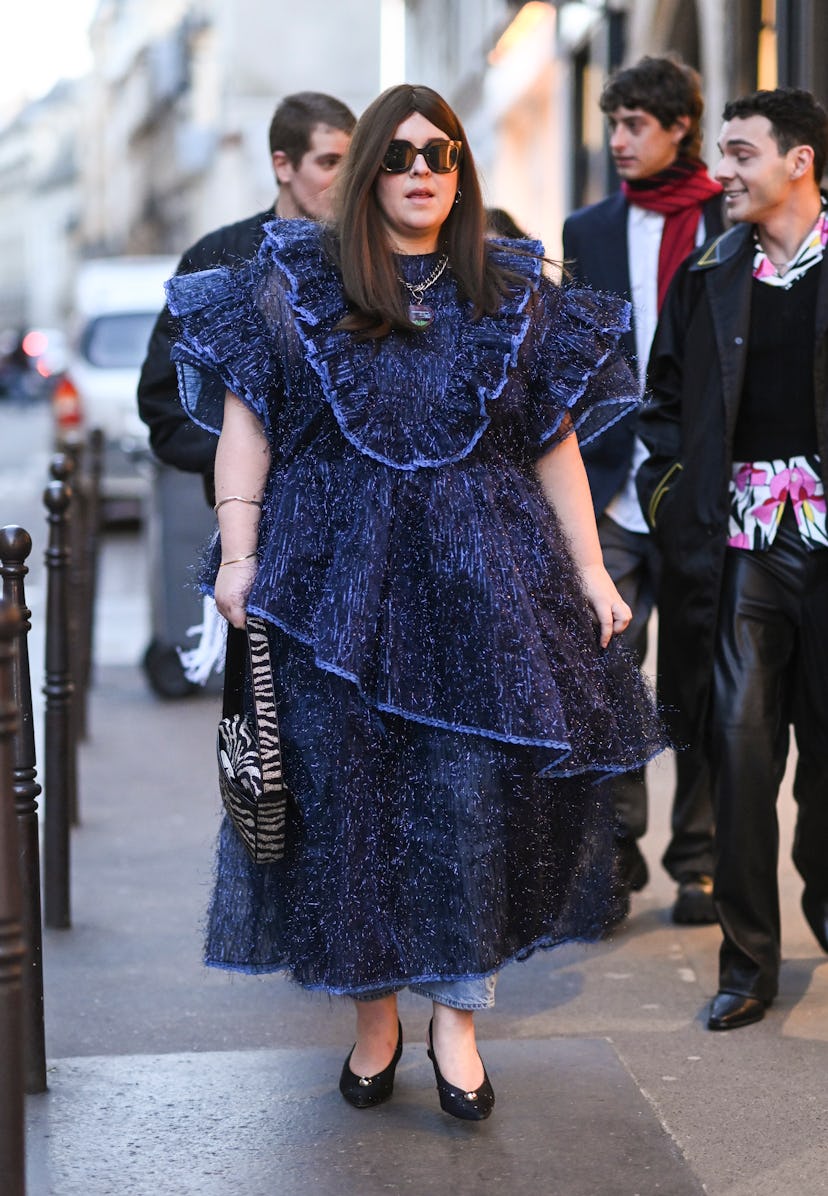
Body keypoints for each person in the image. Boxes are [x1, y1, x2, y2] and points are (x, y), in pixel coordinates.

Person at [166, 83, 665, 1120]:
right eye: (397, 157)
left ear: (462, 170)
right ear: (364, 177)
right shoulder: (287, 282)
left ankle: (458, 1020)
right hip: (328, 579)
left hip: (484, 575)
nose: (422, 171)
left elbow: (554, 440)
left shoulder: (511, 285)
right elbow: (246, 425)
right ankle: (374, 1016)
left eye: (440, 154)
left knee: (464, 801)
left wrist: (588, 568)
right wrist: (239, 552)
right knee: (349, 803)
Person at [637, 87, 828, 1031]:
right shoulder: (707, 277)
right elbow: (661, 408)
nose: (726, 171)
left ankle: (824, 906)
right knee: (743, 754)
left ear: (799, 161)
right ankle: (748, 961)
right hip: (742, 546)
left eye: (744, 152)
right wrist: (676, 507)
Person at [562, 56, 724, 926]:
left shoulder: (725, 218)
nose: (618, 140)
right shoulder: (587, 228)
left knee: (695, 679)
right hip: (610, 485)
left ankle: (695, 862)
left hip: (698, 486)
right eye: (612, 123)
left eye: (635, 125)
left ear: (678, 130)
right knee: (607, 676)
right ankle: (616, 852)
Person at [137, 90, 356, 495]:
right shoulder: (217, 258)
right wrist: (245, 457)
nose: (345, 179)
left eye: (353, 163)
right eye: (329, 162)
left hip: (356, 519)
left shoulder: (368, 259)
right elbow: (162, 399)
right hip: (250, 519)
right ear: (283, 165)